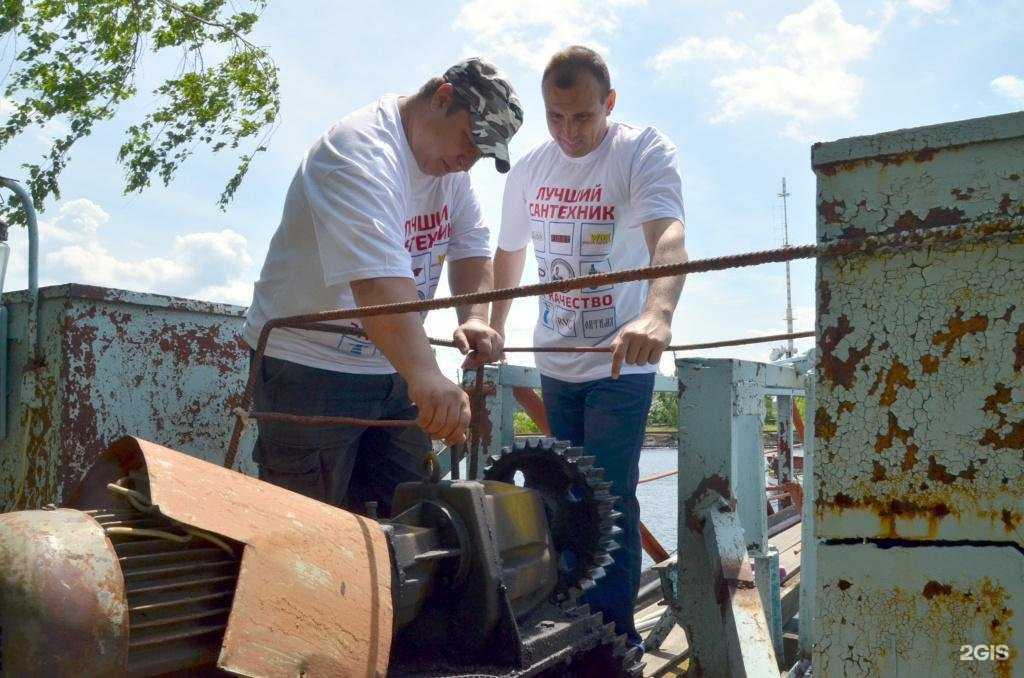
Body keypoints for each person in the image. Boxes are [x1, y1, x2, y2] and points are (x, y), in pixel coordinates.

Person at [242, 58, 522, 517]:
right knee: (305, 524)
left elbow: (470, 244)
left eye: (483, 153)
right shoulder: (358, 153)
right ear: (442, 97)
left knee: (412, 512)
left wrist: (473, 316)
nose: (469, 161)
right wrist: (427, 374)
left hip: (392, 363)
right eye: (471, 141)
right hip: (307, 367)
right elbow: (376, 283)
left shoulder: (451, 171)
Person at [489, 46, 687, 648]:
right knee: (557, 493)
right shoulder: (529, 168)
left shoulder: (641, 150)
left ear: (610, 103)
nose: (569, 133)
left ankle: (611, 639)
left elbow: (669, 235)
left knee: (609, 495)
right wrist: (494, 326)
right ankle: (562, 617)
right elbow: (508, 255)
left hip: (621, 358)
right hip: (555, 357)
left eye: (582, 118)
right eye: (555, 117)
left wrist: (656, 314)